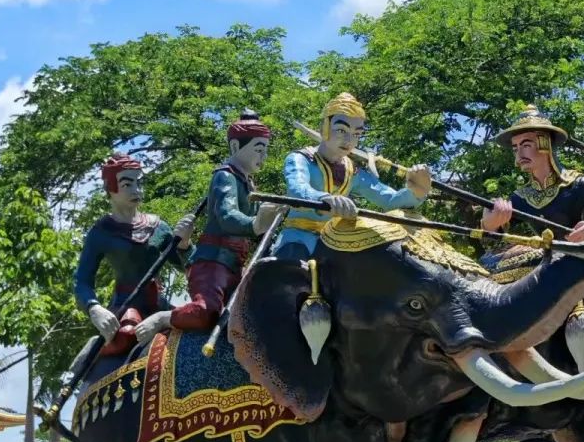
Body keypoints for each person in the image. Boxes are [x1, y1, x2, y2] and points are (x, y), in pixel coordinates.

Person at [272, 92, 432, 261]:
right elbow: (297, 188)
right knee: (289, 270)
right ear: (324, 128)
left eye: (356, 134)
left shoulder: (353, 171)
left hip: (337, 240)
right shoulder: (301, 159)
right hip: (299, 236)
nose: (349, 140)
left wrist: (415, 191)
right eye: (342, 130)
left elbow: (388, 199)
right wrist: (326, 198)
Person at [74, 153, 195, 356]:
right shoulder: (101, 232)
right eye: (127, 184)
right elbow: (82, 281)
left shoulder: (159, 227)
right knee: (126, 336)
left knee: (201, 325)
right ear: (111, 187)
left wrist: (185, 245)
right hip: (126, 308)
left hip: (160, 305)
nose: (137, 190)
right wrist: (94, 308)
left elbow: (191, 267)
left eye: (139, 183)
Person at [170, 111, 280, 332]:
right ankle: (165, 318)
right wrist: (256, 224)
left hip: (236, 266)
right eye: (259, 149)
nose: (263, 156)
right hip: (213, 264)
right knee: (206, 312)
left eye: (265, 150)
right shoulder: (225, 176)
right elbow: (227, 215)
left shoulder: (250, 185)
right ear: (235, 148)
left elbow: (260, 235)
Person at [482, 106, 584, 255]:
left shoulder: (576, 184)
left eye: (526, 145)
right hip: (546, 259)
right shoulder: (522, 197)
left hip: (583, 258)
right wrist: (490, 225)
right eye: (515, 149)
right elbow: (492, 239)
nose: (519, 154)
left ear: (545, 144)